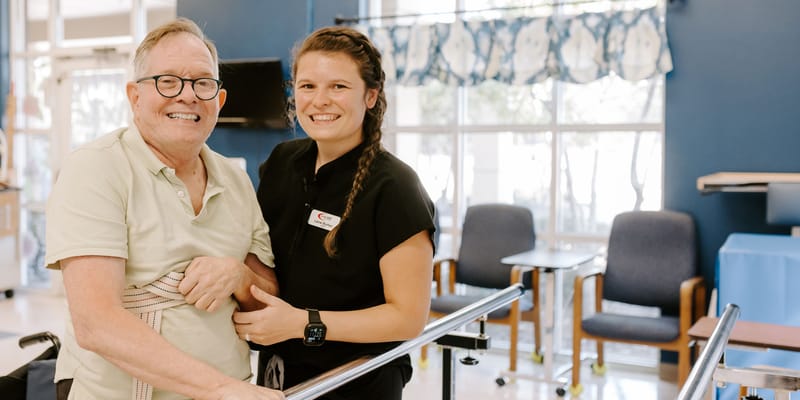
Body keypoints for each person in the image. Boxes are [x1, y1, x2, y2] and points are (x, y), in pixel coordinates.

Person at [45, 18, 284, 400]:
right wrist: (219, 388)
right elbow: (96, 322)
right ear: (134, 96)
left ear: (219, 100)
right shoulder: (95, 169)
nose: (188, 96)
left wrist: (237, 276)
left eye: (203, 83)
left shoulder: (236, 180)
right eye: (167, 80)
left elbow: (267, 296)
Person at [233, 26, 436, 399]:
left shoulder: (396, 187)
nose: (319, 100)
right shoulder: (282, 162)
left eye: (338, 87)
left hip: (359, 378)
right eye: (307, 86)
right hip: (281, 371)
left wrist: (302, 324)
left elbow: (407, 317)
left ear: (371, 96)